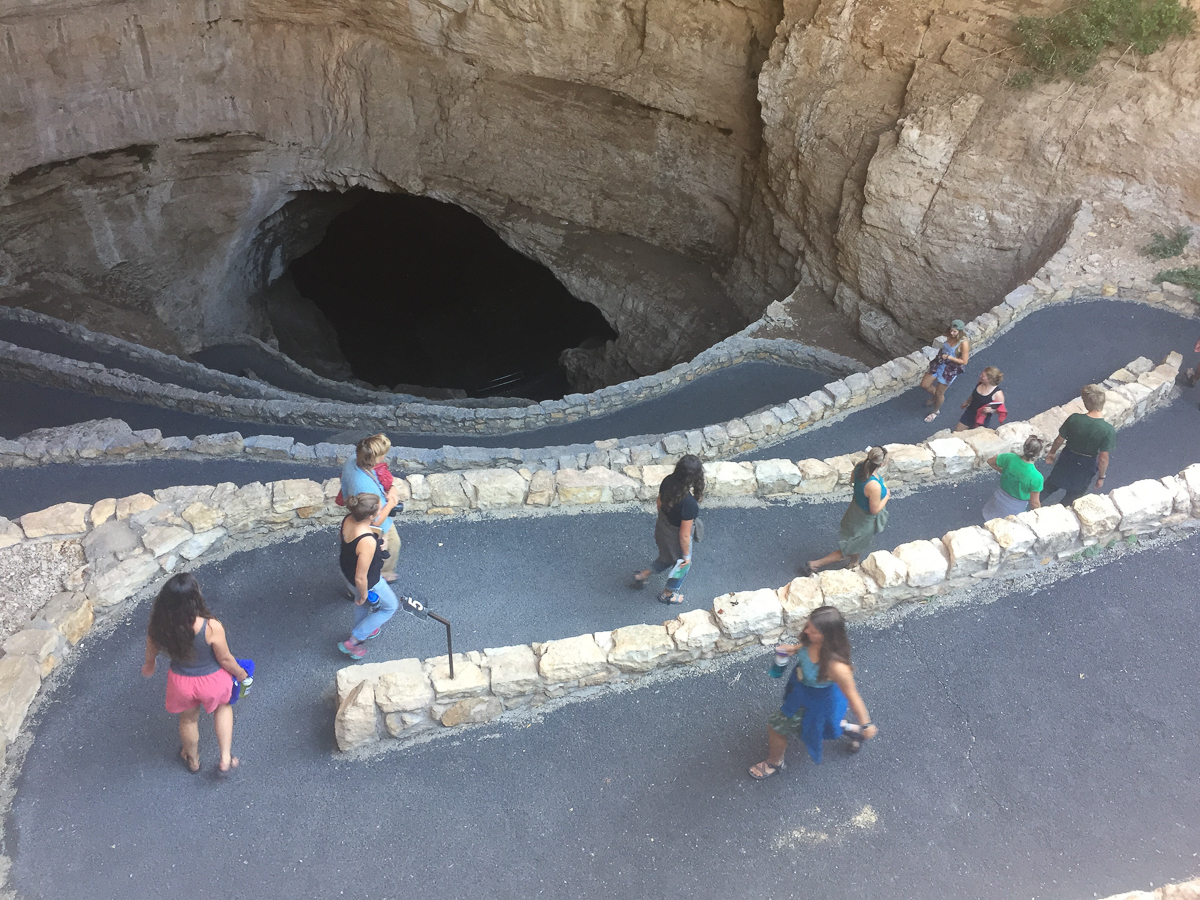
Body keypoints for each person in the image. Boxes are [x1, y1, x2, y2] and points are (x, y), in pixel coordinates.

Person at [749, 606, 877, 779]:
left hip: (814, 703)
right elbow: (806, 646)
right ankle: (853, 730)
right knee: (821, 724)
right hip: (803, 690)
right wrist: (794, 649)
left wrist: (867, 723)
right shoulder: (813, 640)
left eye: (813, 630)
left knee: (776, 728)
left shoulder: (837, 667)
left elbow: (853, 697)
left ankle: (774, 763)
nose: (807, 630)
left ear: (827, 636)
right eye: (808, 625)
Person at [141, 573, 249, 775]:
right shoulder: (210, 626)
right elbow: (225, 659)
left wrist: (149, 664)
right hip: (213, 680)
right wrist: (240, 673)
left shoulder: (158, 625)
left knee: (188, 720)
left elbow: (151, 648)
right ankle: (225, 756)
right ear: (195, 598)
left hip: (181, 682)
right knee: (223, 708)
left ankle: (193, 760)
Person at [803, 447, 889, 574]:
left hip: (855, 509)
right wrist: (886, 495)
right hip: (865, 519)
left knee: (859, 542)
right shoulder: (874, 486)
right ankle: (815, 564)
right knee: (849, 548)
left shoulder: (861, 466)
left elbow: (853, 480)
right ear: (881, 464)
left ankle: (854, 562)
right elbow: (874, 510)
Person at [633, 454, 705, 605]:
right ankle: (667, 594)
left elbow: (659, 503)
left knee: (666, 558)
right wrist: (686, 557)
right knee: (681, 567)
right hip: (675, 535)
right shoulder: (689, 504)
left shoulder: (668, 481)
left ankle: (643, 575)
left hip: (662, 527)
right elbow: (684, 535)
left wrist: (662, 521)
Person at [338, 493, 401, 660]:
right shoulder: (367, 541)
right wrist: (364, 593)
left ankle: (365, 627)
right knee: (390, 607)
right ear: (370, 516)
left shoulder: (348, 519)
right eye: (379, 509)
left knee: (362, 603)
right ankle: (355, 640)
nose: (381, 512)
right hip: (368, 581)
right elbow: (361, 578)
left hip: (346, 571)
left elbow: (349, 546)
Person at [340, 434, 402, 582]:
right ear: (376, 458)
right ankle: (381, 576)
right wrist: (392, 503)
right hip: (374, 522)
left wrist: (391, 488)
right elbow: (375, 520)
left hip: (359, 514)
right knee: (393, 544)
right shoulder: (366, 487)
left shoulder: (351, 462)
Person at [1041, 384, 1116, 506]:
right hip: (1086, 465)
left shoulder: (1074, 418)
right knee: (1073, 495)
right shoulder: (1108, 430)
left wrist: (1052, 453)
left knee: (1050, 485)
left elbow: (1060, 439)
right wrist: (1101, 477)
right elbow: (1103, 458)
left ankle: (1030, 507)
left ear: (1086, 403)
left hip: (1068, 457)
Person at [982, 435, 1045, 521]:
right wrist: (1039, 516)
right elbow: (1034, 503)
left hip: (999, 497)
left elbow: (990, 461)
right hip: (1016, 506)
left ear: (1024, 447)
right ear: (1038, 453)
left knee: (989, 519)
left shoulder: (1009, 458)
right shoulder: (1036, 477)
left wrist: (1004, 471)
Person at [920, 319, 971, 423]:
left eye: (954, 332)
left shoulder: (963, 343)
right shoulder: (949, 335)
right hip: (940, 362)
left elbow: (964, 361)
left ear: (960, 332)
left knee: (940, 392)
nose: (952, 333)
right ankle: (935, 397)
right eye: (951, 331)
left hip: (950, 368)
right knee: (924, 384)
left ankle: (935, 411)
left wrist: (949, 357)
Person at [954, 366, 1005, 432]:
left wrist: (991, 410)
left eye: (983, 376)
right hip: (970, 412)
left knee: (974, 435)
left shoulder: (998, 394)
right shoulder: (980, 382)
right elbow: (974, 393)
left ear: (989, 379)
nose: (980, 376)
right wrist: (967, 402)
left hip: (982, 417)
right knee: (958, 430)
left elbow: (1000, 410)